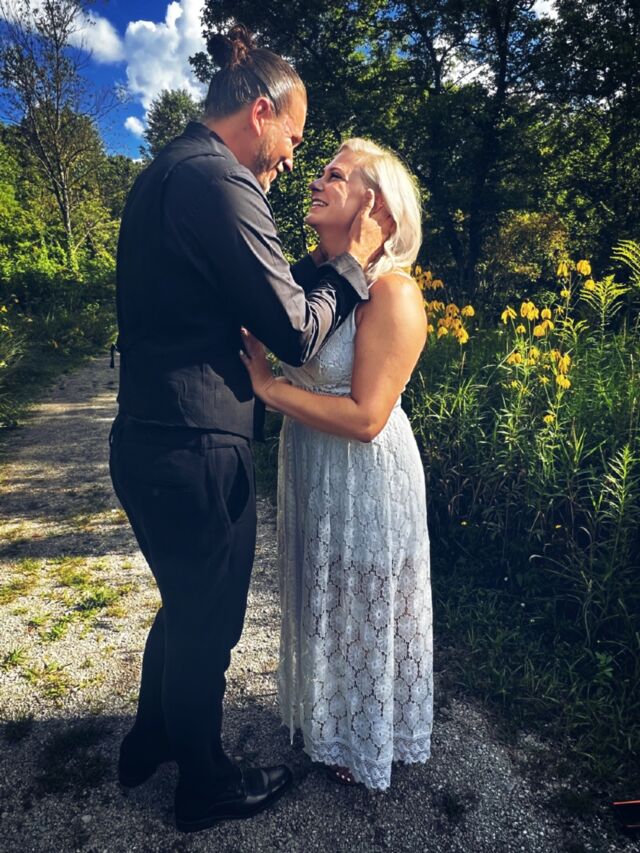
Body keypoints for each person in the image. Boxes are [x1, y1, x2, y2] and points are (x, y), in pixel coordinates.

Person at [109, 25, 386, 833]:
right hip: (196, 445)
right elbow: (295, 331)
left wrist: (323, 271)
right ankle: (205, 783)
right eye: (295, 138)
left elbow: (250, 292)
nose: (295, 160)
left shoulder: (169, 170)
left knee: (182, 601)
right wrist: (353, 265)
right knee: (208, 620)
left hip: (150, 437)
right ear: (260, 113)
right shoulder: (221, 181)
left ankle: (151, 738)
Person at [240, 138, 433, 791]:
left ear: (377, 208)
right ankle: (331, 722)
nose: (316, 181)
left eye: (336, 175)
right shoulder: (323, 283)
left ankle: (368, 734)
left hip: (365, 472)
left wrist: (269, 389)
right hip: (312, 458)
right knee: (325, 594)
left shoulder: (392, 294)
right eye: (321, 171)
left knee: (361, 601)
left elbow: (367, 416)